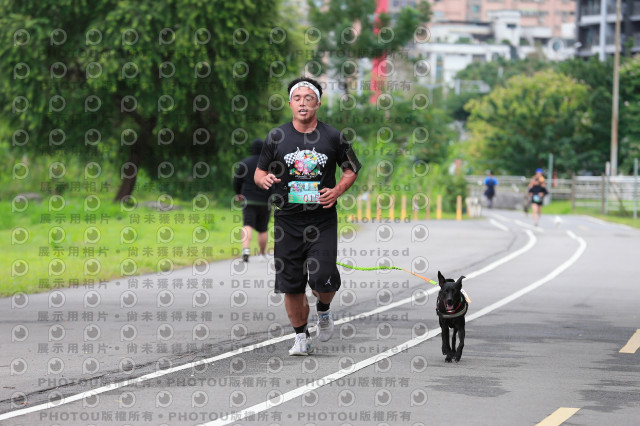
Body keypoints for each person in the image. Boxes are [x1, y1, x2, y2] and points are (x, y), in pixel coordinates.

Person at [255, 77, 360, 356]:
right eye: (297, 98)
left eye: (308, 98)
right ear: (290, 103)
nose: (303, 102)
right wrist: (264, 180)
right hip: (287, 221)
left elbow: (351, 170)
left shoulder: (334, 137)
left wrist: (336, 190)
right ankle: (301, 337)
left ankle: (323, 309)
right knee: (291, 284)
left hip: (322, 220)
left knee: (323, 277)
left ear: (318, 103)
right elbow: (259, 171)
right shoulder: (276, 136)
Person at [233, 138, 271, 262]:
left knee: (247, 224)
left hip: (248, 200)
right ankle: (261, 254)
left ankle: (246, 250)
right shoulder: (269, 164)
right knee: (263, 228)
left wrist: (238, 193)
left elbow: (237, 180)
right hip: (265, 201)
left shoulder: (245, 162)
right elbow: (274, 183)